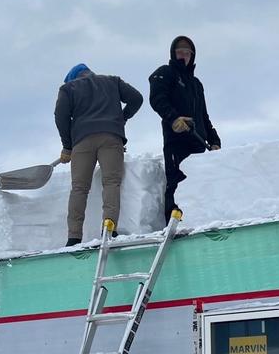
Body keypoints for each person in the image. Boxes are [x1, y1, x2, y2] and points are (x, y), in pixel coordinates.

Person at [54, 63, 143, 246]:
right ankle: (109, 228)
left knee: (79, 188)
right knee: (111, 182)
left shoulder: (68, 88)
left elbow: (60, 116)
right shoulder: (113, 81)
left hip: (82, 141)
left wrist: (67, 146)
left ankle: (74, 237)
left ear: (73, 78)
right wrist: (121, 118)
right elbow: (137, 98)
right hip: (111, 137)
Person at [149, 36, 220, 223]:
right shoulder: (166, 73)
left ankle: (199, 220)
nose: (184, 55)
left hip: (198, 142)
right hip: (177, 141)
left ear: (192, 56)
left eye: (188, 53)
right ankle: (173, 222)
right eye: (180, 52)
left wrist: (214, 140)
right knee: (176, 181)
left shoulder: (196, 84)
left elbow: (204, 115)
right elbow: (157, 99)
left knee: (199, 183)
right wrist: (174, 119)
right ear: (173, 53)